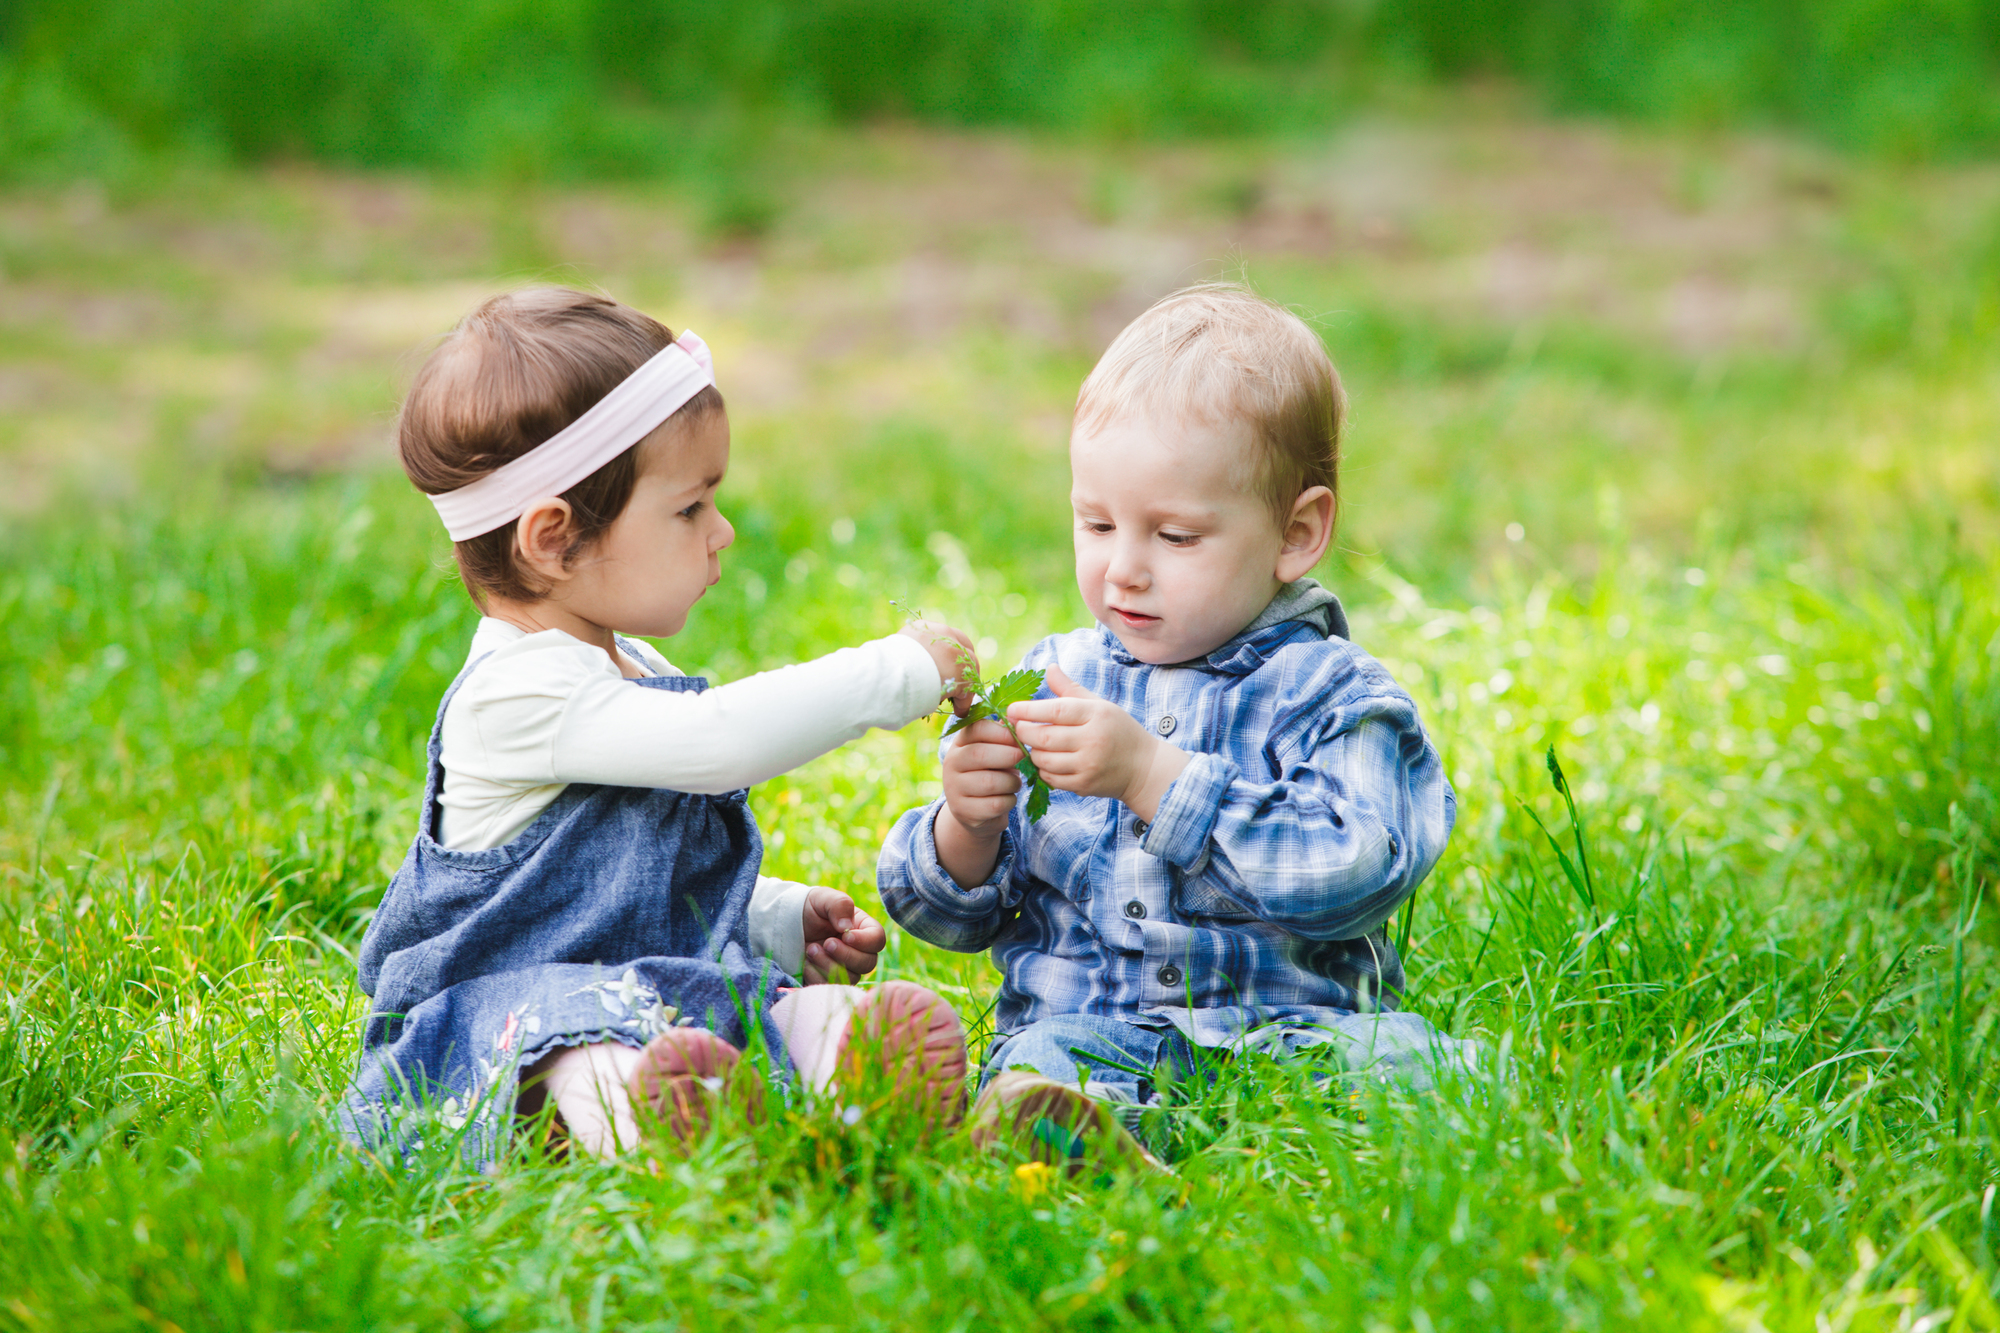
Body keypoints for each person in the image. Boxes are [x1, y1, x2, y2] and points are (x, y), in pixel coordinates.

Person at [347, 286, 974, 1164]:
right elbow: (719, 745)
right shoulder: (514, 694)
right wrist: (897, 670)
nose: (720, 533)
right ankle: (664, 1137)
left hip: (650, 998)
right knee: (586, 1046)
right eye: (689, 508)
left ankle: (866, 1081)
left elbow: (623, 886)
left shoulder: (631, 669)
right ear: (553, 538)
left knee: (776, 1006)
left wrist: (775, 919)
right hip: (500, 1017)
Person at [877, 283, 1474, 1170]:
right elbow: (965, 915)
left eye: (1177, 537)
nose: (1125, 569)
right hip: (1095, 1034)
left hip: (1293, 1034)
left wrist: (1156, 778)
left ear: (1296, 532)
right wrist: (966, 826)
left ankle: (1196, 1142)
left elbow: (1357, 872)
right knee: (1040, 1070)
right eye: (1097, 523)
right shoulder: (1056, 678)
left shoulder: (1338, 695)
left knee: (1408, 1068)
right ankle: (1083, 1146)